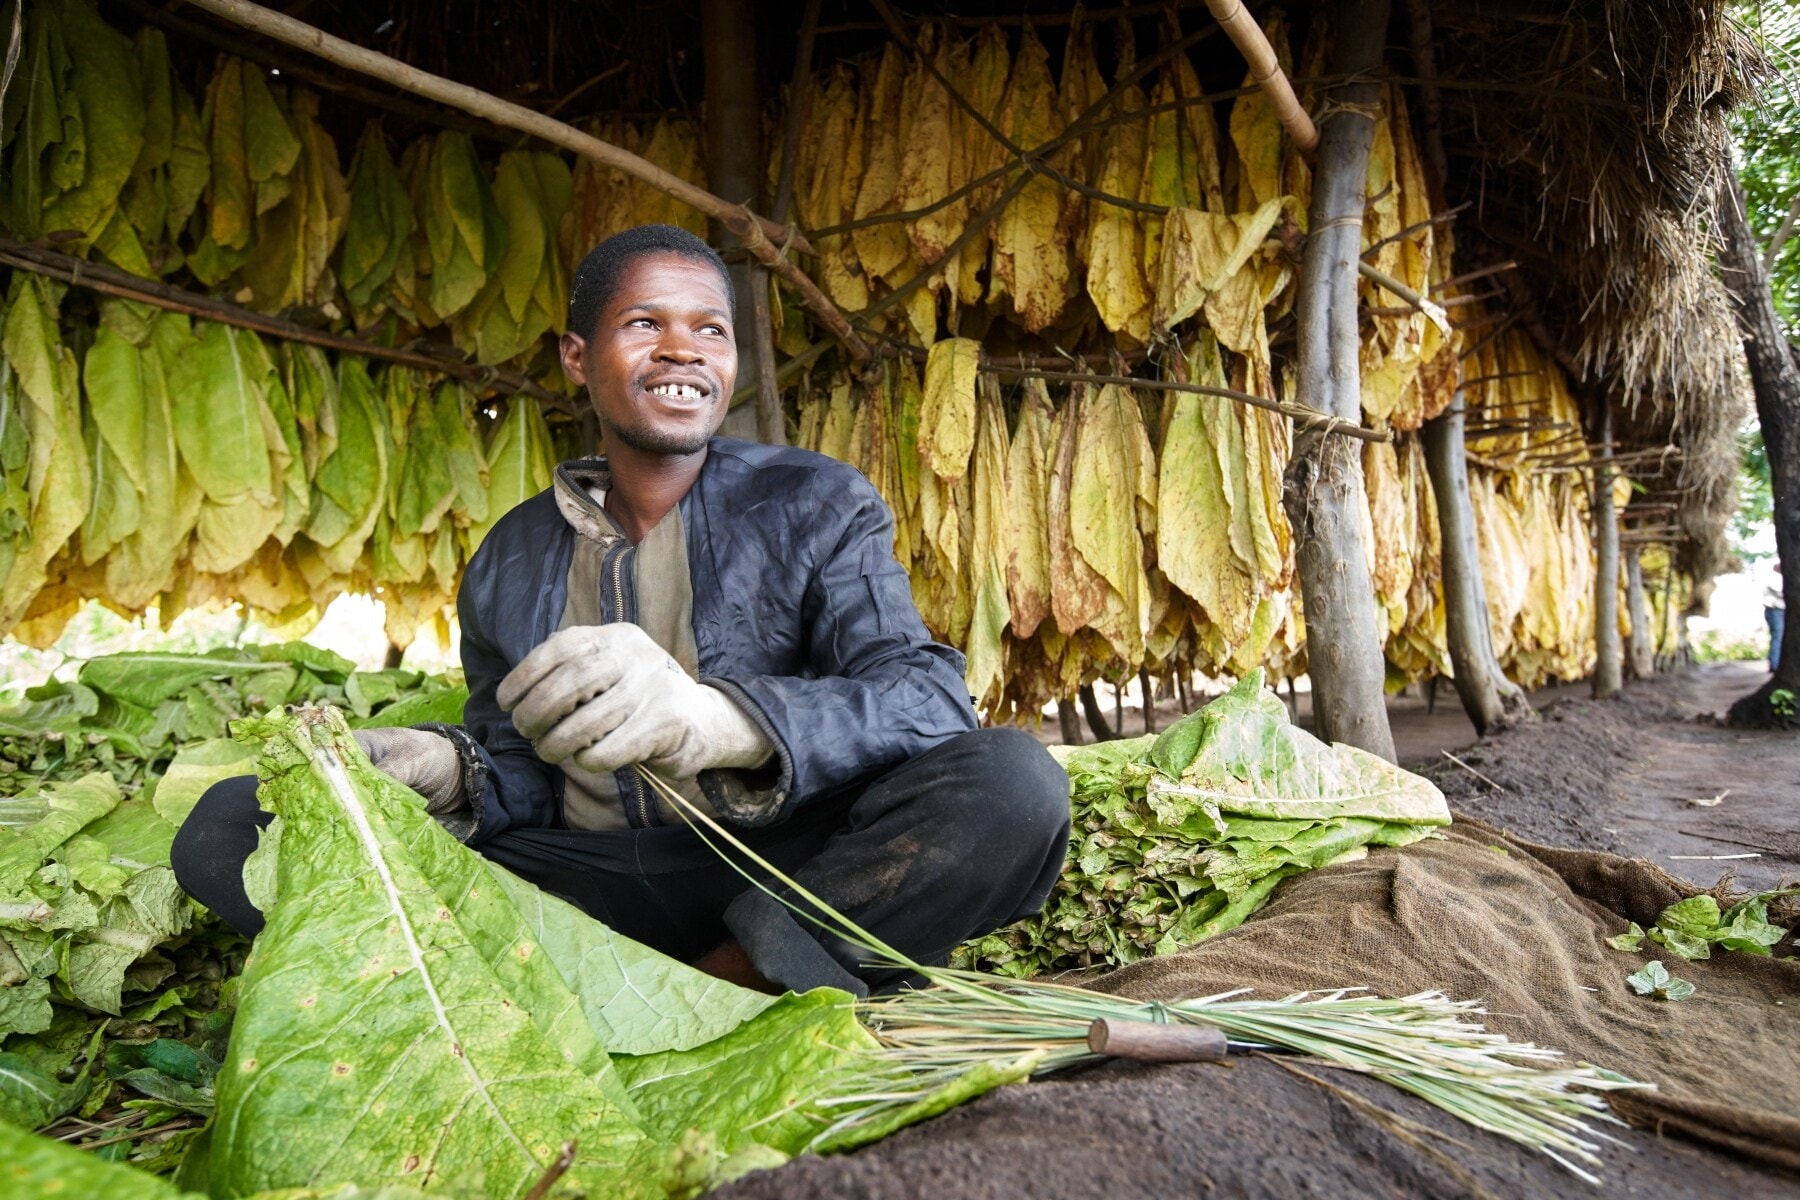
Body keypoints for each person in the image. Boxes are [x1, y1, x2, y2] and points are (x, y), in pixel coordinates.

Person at [171, 224, 1071, 996]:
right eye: (645, 324)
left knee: (1013, 784)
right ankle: (564, 974)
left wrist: (720, 722)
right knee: (236, 825)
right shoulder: (508, 559)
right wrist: (448, 769)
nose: (683, 350)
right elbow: (523, 767)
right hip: (583, 882)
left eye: (709, 330)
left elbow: (925, 698)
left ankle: (726, 990)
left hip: (781, 870)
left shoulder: (816, 502)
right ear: (577, 356)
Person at [1764, 557, 1786, 673]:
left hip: (1781, 611)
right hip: (1775, 610)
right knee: (1778, 636)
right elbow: (1782, 592)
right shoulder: (1773, 578)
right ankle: (1774, 664)